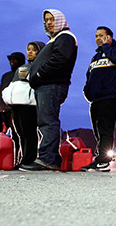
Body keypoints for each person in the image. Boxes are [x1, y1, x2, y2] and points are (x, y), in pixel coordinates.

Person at [21, 9, 78, 171]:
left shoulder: (65, 37)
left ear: (60, 20)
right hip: (46, 85)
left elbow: (59, 59)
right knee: (46, 121)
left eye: (52, 19)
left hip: (52, 85)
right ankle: (51, 157)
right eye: (46, 20)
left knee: (48, 121)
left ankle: (48, 158)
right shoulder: (55, 39)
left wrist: (38, 73)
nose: (48, 23)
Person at [81, 26, 116, 172]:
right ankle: (99, 158)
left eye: (101, 35)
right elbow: (90, 76)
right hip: (95, 99)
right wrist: (87, 91)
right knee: (97, 130)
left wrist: (107, 46)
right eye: (96, 36)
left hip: (109, 96)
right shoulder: (95, 57)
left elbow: (115, 58)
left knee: (105, 128)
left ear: (109, 37)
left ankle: (104, 161)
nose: (97, 38)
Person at [10, 42, 45, 168]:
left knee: (29, 132)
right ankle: (22, 159)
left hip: (30, 104)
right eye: (28, 49)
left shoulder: (42, 66)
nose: (30, 52)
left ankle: (29, 159)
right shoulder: (22, 67)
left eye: (34, 50)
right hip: (17, 104)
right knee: (20, 132)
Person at [0, 52, 25, 158]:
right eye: (11, 60)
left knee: (17, 135)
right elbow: (0, 91)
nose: (12, 62)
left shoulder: (23, 73)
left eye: (15, 60)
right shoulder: (6, 75)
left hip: (15, 109)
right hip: (1, 109)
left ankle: (17, 158)